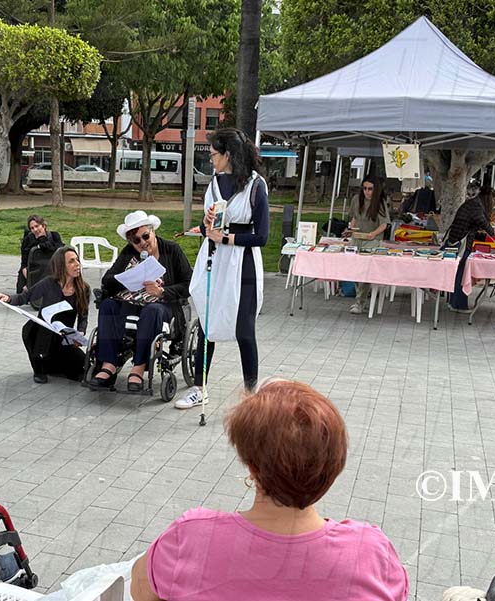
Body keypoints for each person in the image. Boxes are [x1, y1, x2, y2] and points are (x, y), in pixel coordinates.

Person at [131, 379, 408, 601]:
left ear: (252, 467)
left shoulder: (190, 537)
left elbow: (140, 590)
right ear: (334, 466)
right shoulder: (372, 555)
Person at [177, 128, 268, 409]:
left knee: (244, 330)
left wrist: (226, 238)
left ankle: (251, 394)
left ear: (228, 154)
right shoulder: (214, 183)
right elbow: (209, 228)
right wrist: (207, 225)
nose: (211, 159)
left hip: (243, 262)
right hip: (214, 259)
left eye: (214, 154)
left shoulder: (256, 185)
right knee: (207, 323)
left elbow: (262, 236)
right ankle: (199, 387)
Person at [89, 210, 192, 392]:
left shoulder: (171, 250)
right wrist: (126, 278)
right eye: (136, 240)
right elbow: (108, 280)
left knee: (152, 311)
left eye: (145, 236)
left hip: (164, 304)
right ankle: (109, 364)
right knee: (108, 305)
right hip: (133, 302)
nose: (142, 243)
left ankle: (139, 367)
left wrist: (162, 292)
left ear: (153, 231)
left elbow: (188, 283)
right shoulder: (129, 253)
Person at [0, 246, 89, 384]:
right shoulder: (48, 283)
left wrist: (79, 334)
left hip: (62, 335)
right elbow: (24, 297)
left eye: (77, 260)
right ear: (61, 266)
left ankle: (51, 364)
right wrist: (7, 298)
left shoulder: (83, 288)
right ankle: (39, 368)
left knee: (83, 369)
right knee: (39, 331)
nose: (77, 264)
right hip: (40, 333)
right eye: (71, 261)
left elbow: (83, 316)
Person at [443, 180, 495, 312]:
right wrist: (493, 232)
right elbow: (481, 221)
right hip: (461, 242)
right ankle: (459, 305)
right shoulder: (476, 206)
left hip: (456, 239)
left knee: (457, 273)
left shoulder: (473, 203)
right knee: (462, 273)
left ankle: (453, 302)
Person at [346, 175, 391, 315]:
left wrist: (373, 234)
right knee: (354, 270)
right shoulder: (356, 199)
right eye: (364, 188)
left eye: (370, 189)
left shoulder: (380, 203)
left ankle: (360, 302)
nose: (367, 191)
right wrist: (350, 230)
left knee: (364, 271)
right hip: (357, 237)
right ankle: (360, 297)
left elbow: (384, 224)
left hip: (372, 239)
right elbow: (354, 217)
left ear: (376, 189)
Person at [17, 214, 63, 293]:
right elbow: (24, 264)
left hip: (50, 269)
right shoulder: (27, 240)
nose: (35, 230)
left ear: (43, 226)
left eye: (37, 226)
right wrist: (29, 280)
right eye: (32, 228)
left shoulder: (54, 236)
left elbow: (61, 252)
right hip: (32, 271)